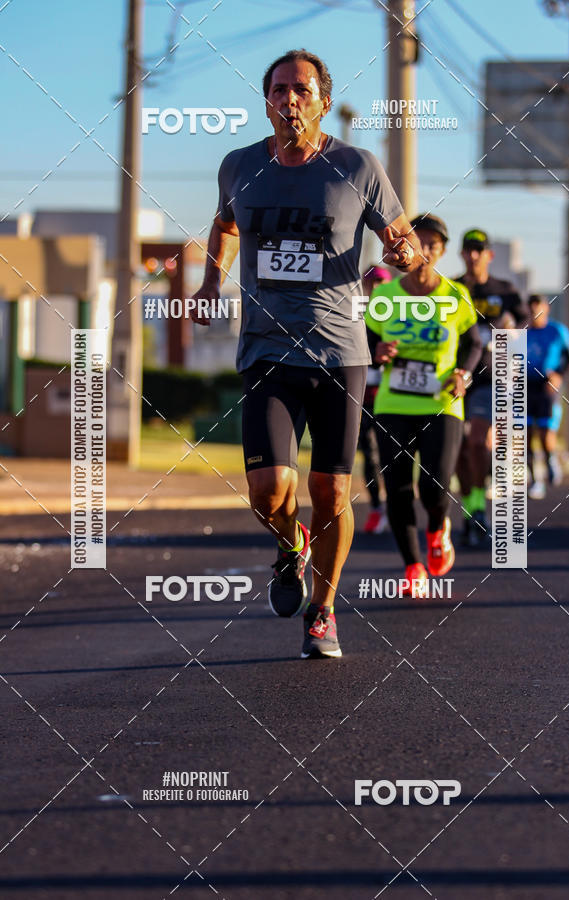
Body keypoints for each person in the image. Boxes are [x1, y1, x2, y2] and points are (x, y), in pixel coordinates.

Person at [191, 49, 422, 658]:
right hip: (267, 351)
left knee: (331, 494)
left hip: (340, 352)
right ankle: (288, 544)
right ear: (265, 99)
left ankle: (323, 611)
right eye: (278, 90)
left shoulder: (357, 167)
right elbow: (226, 226)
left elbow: (406, 242)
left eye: (301, 90)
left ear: (322, 100)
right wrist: (212, 281)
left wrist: (404, 255)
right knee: (267, 492)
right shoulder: (238, 166)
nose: (289, 100)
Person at [365, 214, 482, 596]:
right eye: (419, 241)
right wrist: (376, 351)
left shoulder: (455, 296)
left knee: (434, 487)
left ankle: (437, 526)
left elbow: (474, 343)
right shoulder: (384, 296)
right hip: (393, 402)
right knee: (398, 487)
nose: (426, 249)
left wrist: (463, 373)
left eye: (434, 244)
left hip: (442, 404)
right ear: (406, 247)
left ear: (443, 251)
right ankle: (413, 566)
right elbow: (365, 342)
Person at [453, 229, 528, 546]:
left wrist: (511, 324)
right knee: (456, 449)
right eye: (468, 250)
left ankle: (480, 507)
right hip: (454, 376)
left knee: (478, 443)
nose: (473, 256)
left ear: (489, 255)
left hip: (490, 377)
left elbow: (526, 321)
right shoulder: (452, 288)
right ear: (461, 254)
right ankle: (472, 508)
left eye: (479, 250)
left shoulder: (505, 290)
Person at [526, 294, 569, 499]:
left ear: (546, 309)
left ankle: (550, 458)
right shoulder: (522, 332)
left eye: (539, 309)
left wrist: (558, 376)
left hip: (548, 386)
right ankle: (535, 480)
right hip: (526, 386)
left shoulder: (557, 331)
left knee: (546, 434)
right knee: (525, 436)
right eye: (531, 309)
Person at [359, 265, 391, 534]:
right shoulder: (353, 315)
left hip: (391, 398)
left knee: (391, 455)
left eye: (381, 284)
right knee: (368, 456)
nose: (376, 289)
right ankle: (376, 507)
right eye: (371, 284)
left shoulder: (398, 315)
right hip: (361, 398)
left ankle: (394, 506)